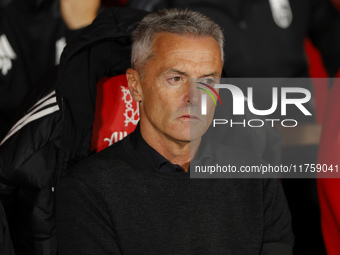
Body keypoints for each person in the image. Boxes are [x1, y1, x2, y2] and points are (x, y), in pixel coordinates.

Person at [56, 8, 294, 254]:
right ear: (135, 85)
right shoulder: (88, 189)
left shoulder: (257, 178)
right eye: (176, 79)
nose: (193, 98)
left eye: (207, 81)